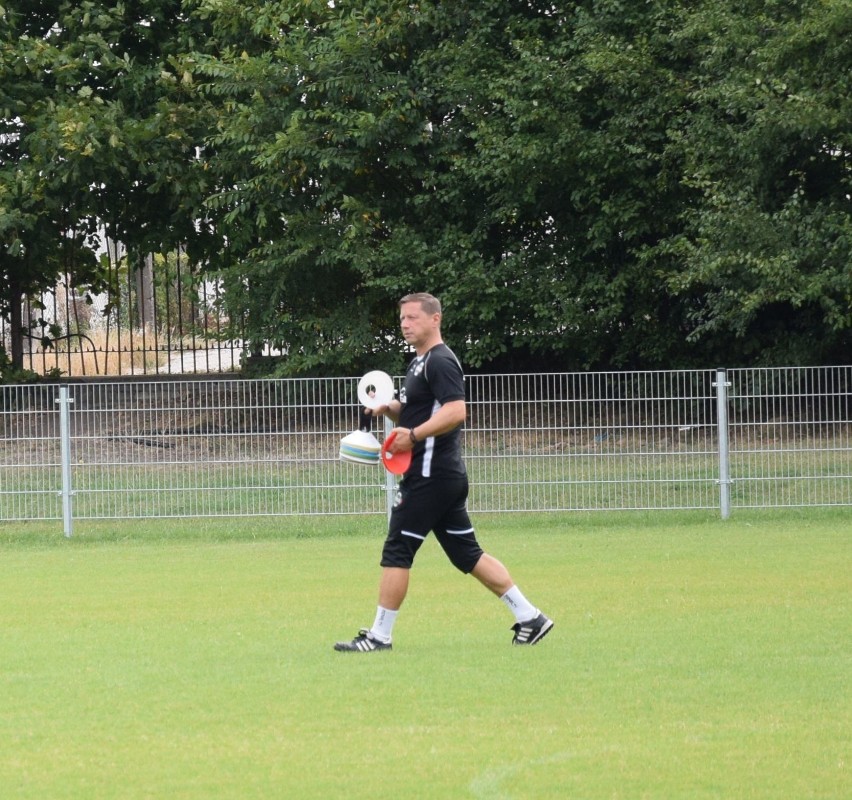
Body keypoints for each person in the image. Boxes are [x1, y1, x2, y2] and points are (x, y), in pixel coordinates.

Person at [334, 292, 553, 652]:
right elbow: (419, 412)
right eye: (402, 318)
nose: (404, 324)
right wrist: (388, 408)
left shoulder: (441, 361)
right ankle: (530, 617)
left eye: (412, 318)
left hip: (431, 475)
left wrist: (414, 436)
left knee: (397, 549)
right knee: (467, 554)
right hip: (442, 476)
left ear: (435, 319)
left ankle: (378, 637)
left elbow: (455, 412)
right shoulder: (418, 363)